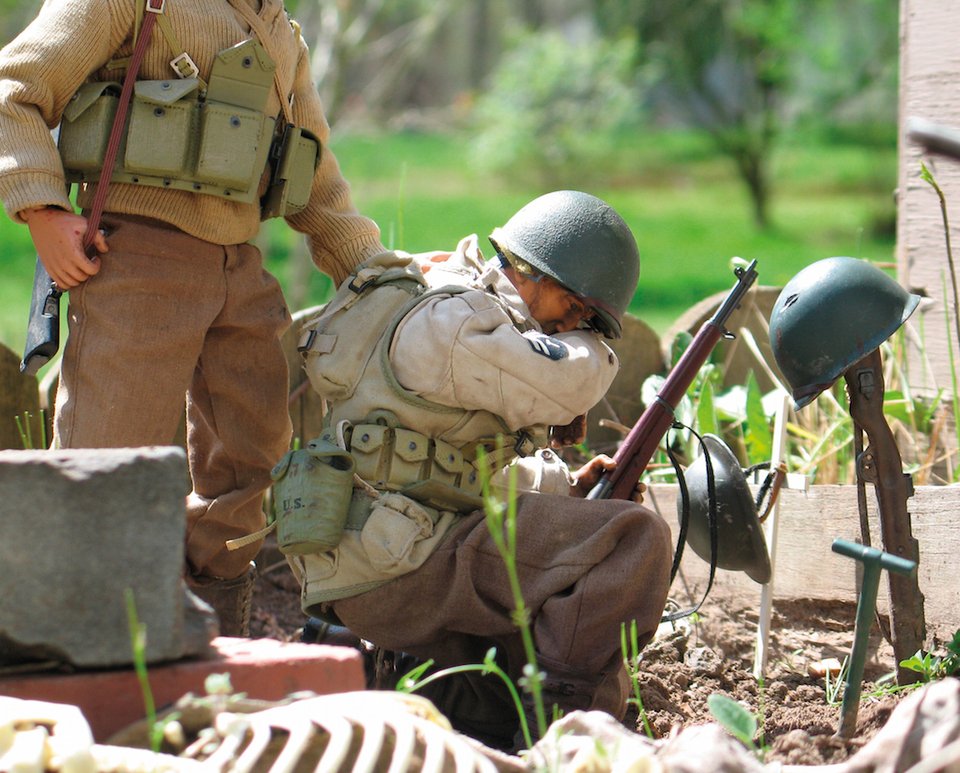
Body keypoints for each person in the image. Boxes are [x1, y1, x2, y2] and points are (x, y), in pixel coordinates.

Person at [0, 0, 390, 635]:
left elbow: (316, 172)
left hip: (239, 266)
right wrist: (41, 210)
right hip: (138, 256)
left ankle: (215, 630)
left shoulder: (278, 29)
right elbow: (14, 88)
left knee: (251, 453)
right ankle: (79, 639)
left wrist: (371, 268)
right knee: (107, 454)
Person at [287, 190, 674, 749]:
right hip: (401, 567)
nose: (574, 327)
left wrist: (566, 488)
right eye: (577, 309)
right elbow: (575, 381)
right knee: (634, 539)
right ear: (534, 273)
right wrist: (591, 344)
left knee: (507, 688)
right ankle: (563, 741)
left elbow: (456, 473)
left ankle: (443, 704)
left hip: (387, 554)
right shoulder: (456, 321)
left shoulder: (458, 308)